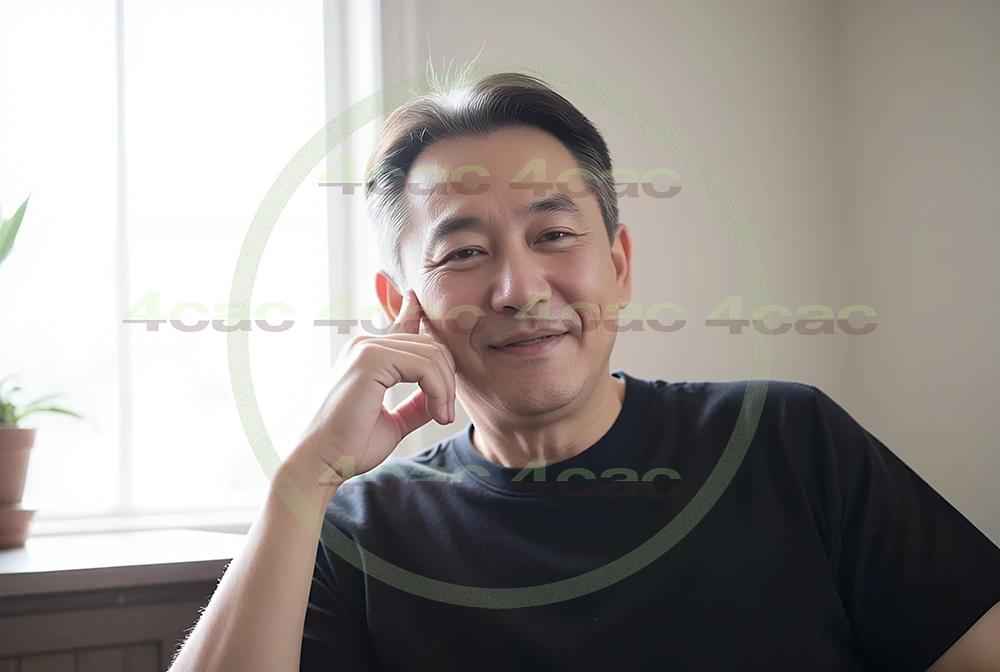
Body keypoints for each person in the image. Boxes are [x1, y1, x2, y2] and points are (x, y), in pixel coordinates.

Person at [169, 73, 1000, 671]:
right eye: (464, 252)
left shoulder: (786, 440)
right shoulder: (360, 533)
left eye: (555, 235)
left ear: (619, 264)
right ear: (401, 306)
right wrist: (306, 475)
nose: (520, 288)